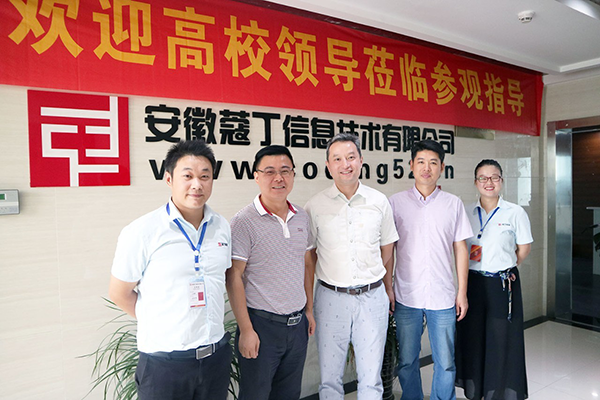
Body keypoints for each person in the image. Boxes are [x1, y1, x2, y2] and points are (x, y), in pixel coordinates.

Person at [108, 140, 232, 400]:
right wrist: (159, 322)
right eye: (187, 176)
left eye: (205, 176)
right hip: (164, 365)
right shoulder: (143, 231)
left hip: (214, 359)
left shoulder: (221, 226)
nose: (197, 184)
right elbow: (120, 293)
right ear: (168, 179)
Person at [305, 133, 399, 399]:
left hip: (372, 297)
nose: (345, 164)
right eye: (337, 159)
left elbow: (388, 247)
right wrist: (309, 305)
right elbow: (309, 258)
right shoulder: (315, 206)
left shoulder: (378, 201)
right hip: (330, 297)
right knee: (329, 379)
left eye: (350, 157)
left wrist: (382, 284)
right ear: (328, 165)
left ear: (361, 160)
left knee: (371, 379)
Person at [226, 145, 316, 400]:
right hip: (261, 326)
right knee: (255, 395)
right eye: (269, 171)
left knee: (289, 394)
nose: (279, 178)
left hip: (297, 326)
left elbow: (307, 264)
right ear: (256, 176)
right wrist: (246, 330)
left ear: (293, 175)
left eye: (285, 171)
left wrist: (309, 310)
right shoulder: (243, 221)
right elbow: (233, 277)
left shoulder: (301, 216)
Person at [388, 139, 473, 400]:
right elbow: (388, 250)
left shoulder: (453, 203)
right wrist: (388, 288)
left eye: (433, 163)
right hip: (406, 295)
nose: (427, 168)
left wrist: (462, 292)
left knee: (445, 362)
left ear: (442, 167)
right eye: (421, 162)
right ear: (411, 165)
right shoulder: (395, 203)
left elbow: (461, 249)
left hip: (442, 295)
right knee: (407, 360)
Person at [455, 159, 532, 400]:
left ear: (501, 181)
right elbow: (460, 249)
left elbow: (523, 248)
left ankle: (497, 392)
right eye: (483, 178)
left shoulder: (515, 212)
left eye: (494, 177)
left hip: (502, 284)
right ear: (475, 182)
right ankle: (477, 390)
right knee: (474, 338)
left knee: (501, 340)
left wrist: (506, 265)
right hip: (473, 283)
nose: (489, 182)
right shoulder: (466, 211)